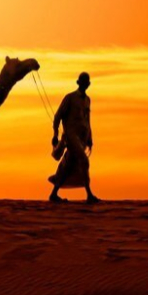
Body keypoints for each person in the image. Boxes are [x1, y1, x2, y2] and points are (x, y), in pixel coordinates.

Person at [48, 72, 100, 203]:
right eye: (82, 82)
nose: (84, 84)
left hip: (82, 137)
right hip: (71, 136)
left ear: (88, 84)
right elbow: (57, 116)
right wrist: (55, 134)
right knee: (83, 161)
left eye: (86, 82)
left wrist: (90, 139)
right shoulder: (70, 98)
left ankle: (53, 194)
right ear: (79, 83)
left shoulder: (87, 100)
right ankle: (89, 194)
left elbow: (88, 121)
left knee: (67, 166)